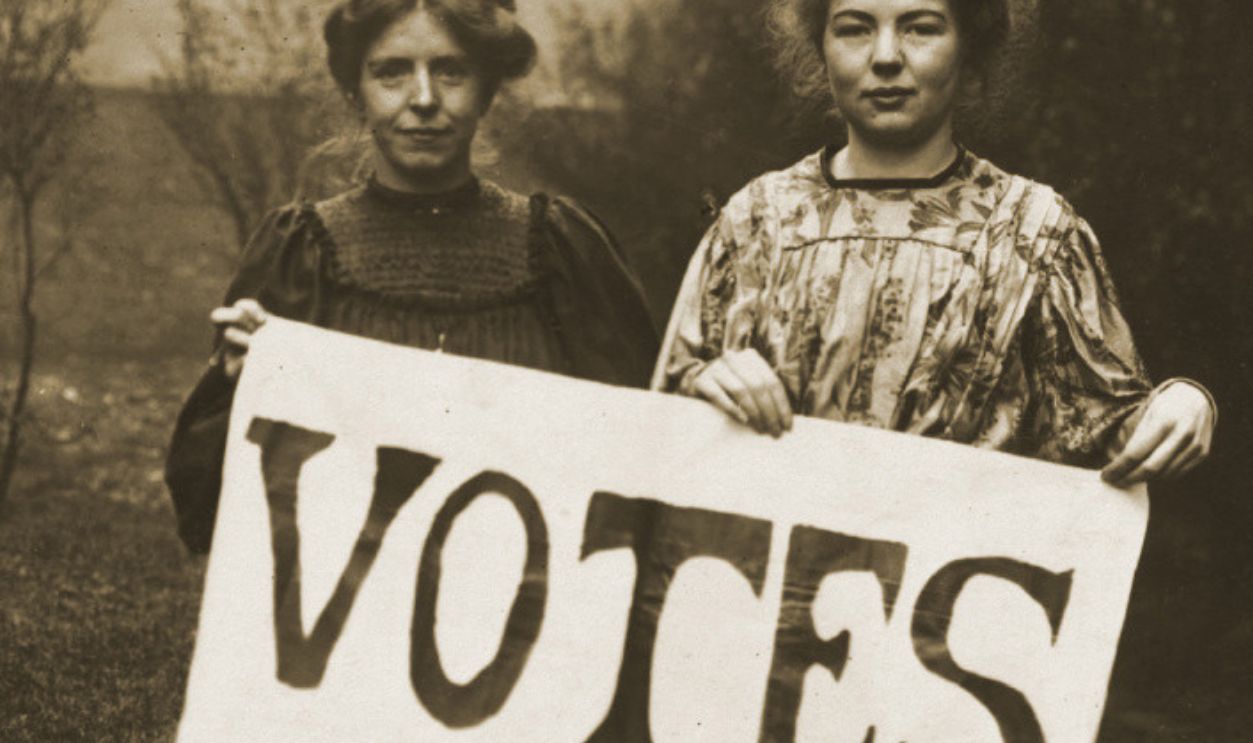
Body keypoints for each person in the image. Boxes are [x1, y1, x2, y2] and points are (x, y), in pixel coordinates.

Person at [652, 0, 1215, 487]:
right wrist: (701, 384)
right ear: (819, 47)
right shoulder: (756, 222)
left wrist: (1184, 404)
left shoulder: (1034, 231)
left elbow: (1106, 432)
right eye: (854, 28)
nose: (887, 56)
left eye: (920, 27)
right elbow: (656, 435)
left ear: (969, 47)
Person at [166, 0, 658, 554]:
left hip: (523, 613)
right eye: (391, 72)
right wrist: (242, 386)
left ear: (487, 90)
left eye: (451, 71)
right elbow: (209, 512)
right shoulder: (301, 254)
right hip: (341, 621)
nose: (423, 99)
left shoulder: (559, 252)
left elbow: (643, 466)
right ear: (356, 92)